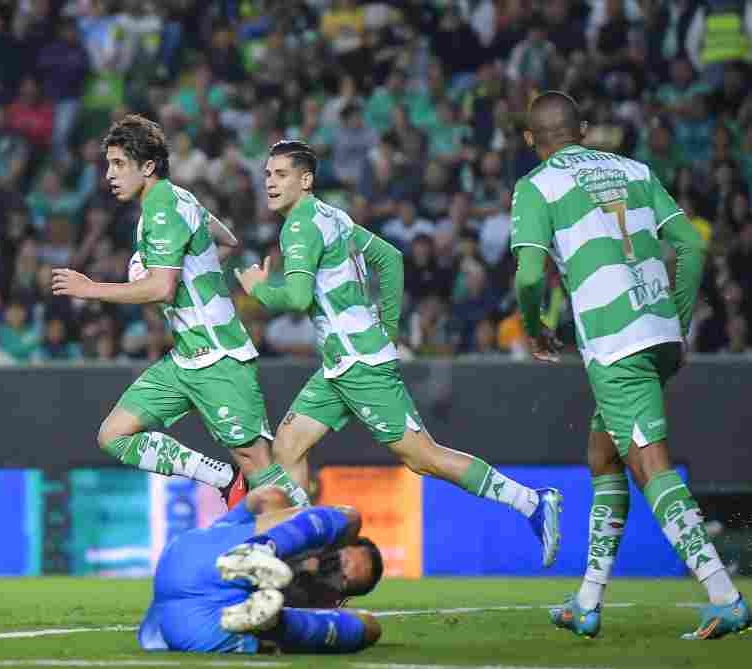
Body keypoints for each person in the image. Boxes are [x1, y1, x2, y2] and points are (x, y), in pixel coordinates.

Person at [236, 140, 562, 568]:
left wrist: (257, 288)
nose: (270, 183)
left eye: (281, 174)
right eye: (267, 175)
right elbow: (389, 258)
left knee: (421, 456)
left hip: (359, 365)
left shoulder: (299, 225)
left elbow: (296, 299)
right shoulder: (333, 216)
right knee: (288, 448)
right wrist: (387, 328)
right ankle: (305, 556)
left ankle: (532, 502)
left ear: (306, 180)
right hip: (343, 363)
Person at [510, 90, 749, 640]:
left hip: (616, 342)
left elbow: (527, 276)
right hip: (658, 328)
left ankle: (725, 595)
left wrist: (535, 327)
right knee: (604, 456)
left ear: (530, 140)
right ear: (585, 130)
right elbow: (691, 245)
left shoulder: (537, 186)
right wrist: (679, 322)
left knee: (648, 466)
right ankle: (587, 601)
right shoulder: (635, 169)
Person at [52, 115, 308, 508]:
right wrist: (198, 268)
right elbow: (228, 241)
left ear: (148, 166)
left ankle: (319, 545)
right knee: (114, 434)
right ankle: (222, 478)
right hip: (185, 358)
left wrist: (90, 289)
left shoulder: (162, 210)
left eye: (119, 164)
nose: (109, 175)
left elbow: (161, 287)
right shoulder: (178, 199)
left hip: (219, 356)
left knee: (259, 467)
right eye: (109, 164)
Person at [138, 486, 382, 654]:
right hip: (198, 567)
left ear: (337, 596)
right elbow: (268, 496)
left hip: (199, 625)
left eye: (344, 579)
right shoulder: (289, 534)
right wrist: (299, 541)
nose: (335, 571)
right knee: (350, 517)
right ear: (334, 546)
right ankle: (263, 549)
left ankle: (269, 617)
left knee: (370, 628)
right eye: (338, 562)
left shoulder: (312, 602)